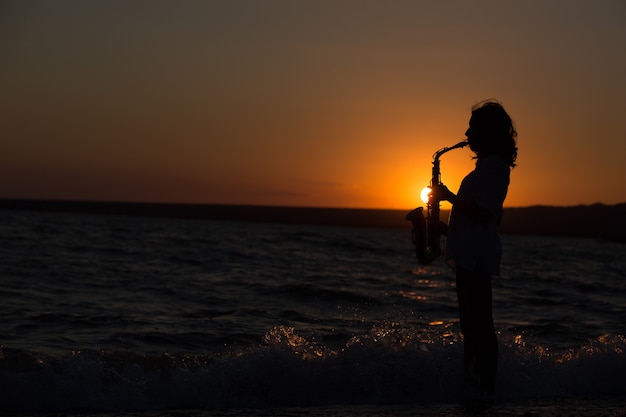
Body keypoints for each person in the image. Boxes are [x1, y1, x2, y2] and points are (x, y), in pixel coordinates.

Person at [430, 100, 517, 396]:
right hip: (470, 255)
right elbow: (473, 217)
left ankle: (485, 391)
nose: (467, 133)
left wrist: (448, 196)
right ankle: (473, 386)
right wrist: (441, 228)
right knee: (471, 325)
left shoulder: (494, 167)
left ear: (487, 131)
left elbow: (484, 213)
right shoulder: (485, 167)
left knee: (479, 325)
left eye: (472, 127)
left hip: (477, 257)